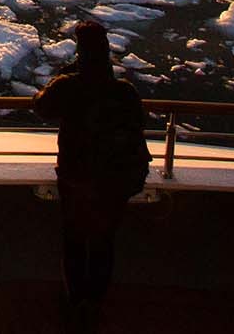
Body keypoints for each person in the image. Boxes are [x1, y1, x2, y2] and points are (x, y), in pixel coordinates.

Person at [34, 21, 151, 328]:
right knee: (103, 241)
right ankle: (94, 304)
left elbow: (41, 106)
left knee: (74, 239)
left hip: (77, 179)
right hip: (114, 183)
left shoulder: (70, 86)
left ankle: (75, 302)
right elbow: (139, 122)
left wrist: (62, 75)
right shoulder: (125, 91)